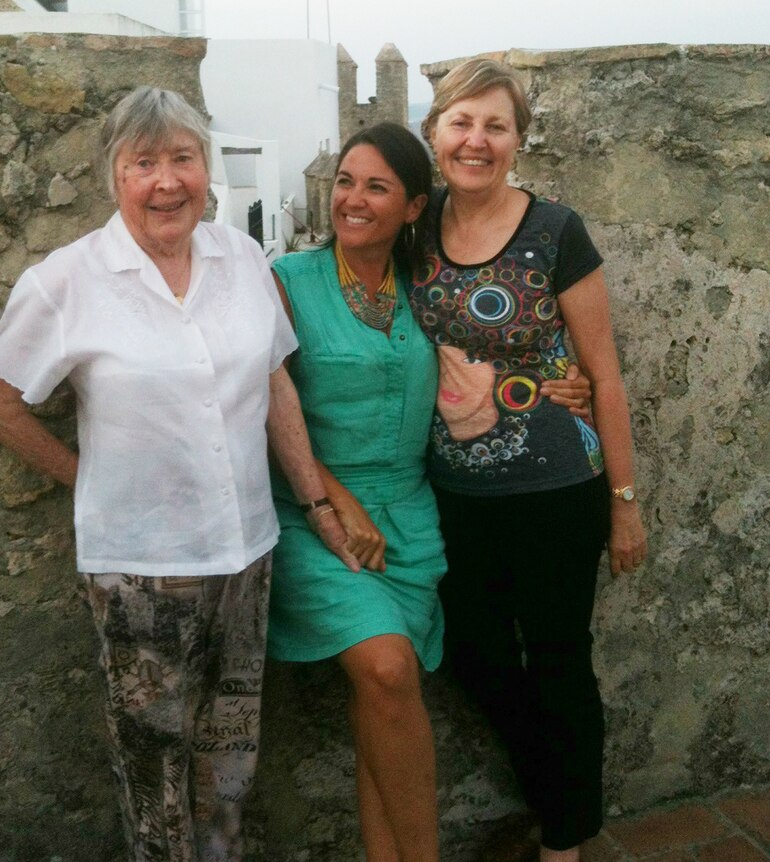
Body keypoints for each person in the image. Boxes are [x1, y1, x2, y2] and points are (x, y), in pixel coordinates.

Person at [0, 86, 354, 862]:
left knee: (231, 763)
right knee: (153, 775)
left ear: (206, 168)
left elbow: (275, 381)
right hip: (141, 573)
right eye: (144, 162)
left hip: (246, 552)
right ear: (114, 174)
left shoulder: (242, 258)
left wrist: (314, 500)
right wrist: (91, 479)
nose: (166, 180)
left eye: (183, 157)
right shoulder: (66, 281)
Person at [266, 123, 592, 862]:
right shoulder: (287, 281)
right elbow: (259, 408)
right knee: (385, 667)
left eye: (376, 186)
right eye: (345, 180)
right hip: (315, 514)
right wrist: (333, 499)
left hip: (412, 517)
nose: (352, 198)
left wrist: (566, 384)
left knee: (381, 697)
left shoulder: (430, 290)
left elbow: (502, 349)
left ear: (415, 206)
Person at [409, 59, 648, 862]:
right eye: (462, 123)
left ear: (517, 139)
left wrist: (624, 499)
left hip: (556, 491)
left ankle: (566, 840)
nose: (477, 141)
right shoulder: (415, 226)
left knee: (557, 662)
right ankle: (558, 791)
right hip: (454, 495)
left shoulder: (556, 230)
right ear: (435, 131)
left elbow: (603, 374)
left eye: (496, 126)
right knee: (471, 653)